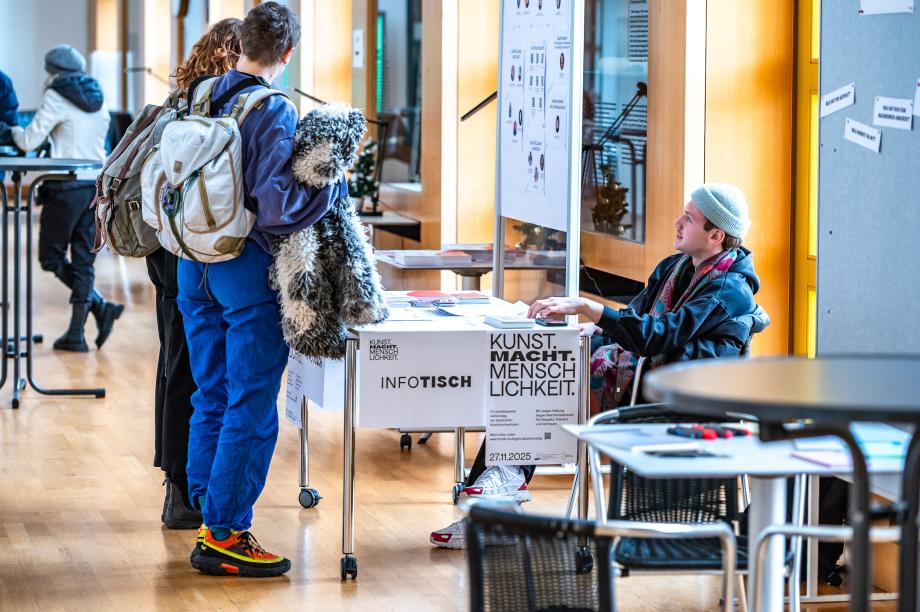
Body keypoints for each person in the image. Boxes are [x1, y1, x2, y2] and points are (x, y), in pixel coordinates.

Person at [430, 183, 762, 549]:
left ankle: (495, 503)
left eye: (689, 218)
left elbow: (659, 336)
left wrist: (590, 309)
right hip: (640, 377)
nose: (677, 222)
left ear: (716, 235)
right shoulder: (674, 266)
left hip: (674, 400)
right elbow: (637, 319)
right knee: (535, 370)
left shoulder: (729, 289)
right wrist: (597, 329)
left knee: (546, 381)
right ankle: (495, 497)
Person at [180, 2, 346, 577]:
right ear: (287, 53)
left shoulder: (201, 95)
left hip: (193, 262)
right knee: (252, 401)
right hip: (244, 269)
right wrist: (328, 187)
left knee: (212, 392)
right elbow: (278, 209)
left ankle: (206, 505)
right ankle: (225, 533)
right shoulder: (272, 107)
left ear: (241, 42)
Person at [149, 18, 243, 531]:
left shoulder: (179, 101)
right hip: (198, 249)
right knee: (195, 373)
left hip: (168, 246)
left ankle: (177, 484)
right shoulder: (222, 105)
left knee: (176, 363)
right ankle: (184, 491)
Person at [10, 46, 122, 352]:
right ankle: (76, 333)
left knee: (51, 257)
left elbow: (29, 141)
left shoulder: (56, 94)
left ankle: (98, 307)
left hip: (65, 186)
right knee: (84, 261)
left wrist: (13, 130)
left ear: (52, 71)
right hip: (95, 185)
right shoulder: (98, 96)